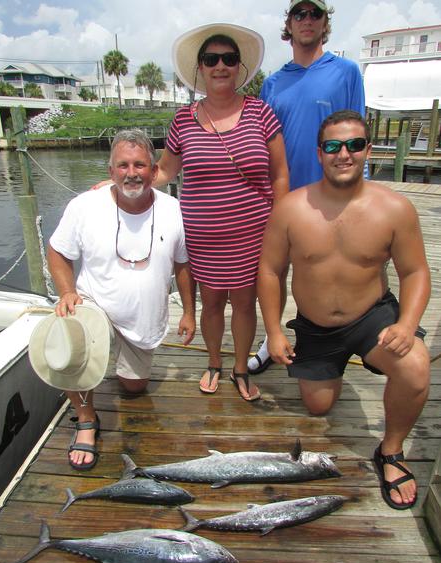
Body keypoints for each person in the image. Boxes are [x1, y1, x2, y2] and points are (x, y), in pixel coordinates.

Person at [257, 110, 431, 510]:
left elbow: (416, 271)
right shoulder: (291, 208)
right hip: (316, 326)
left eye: (354, 144)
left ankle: (391, 451)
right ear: (320, 153)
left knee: (415, 366)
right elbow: (269, 270)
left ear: (368, 149)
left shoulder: (395, 208)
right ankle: (333, 368)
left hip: (373, 317)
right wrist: (274, 332)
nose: (344, 154)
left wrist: (407, 324)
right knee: (318, 406)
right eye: (333, 146)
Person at [45, 129, 196, 470]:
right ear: (110, 170)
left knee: (134, 387)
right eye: (123, 165)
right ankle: (86, 419)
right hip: (94, 305)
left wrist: (189, 311)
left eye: (139, 165)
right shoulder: (84, 206)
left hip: (143, 318)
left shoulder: (174, 209)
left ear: (154, 170)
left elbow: (183, 264)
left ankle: (115, 365)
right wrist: (67, 292)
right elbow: (57, 251)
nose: (131, 173)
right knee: (71, 340)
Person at [154, 23, 289, 401]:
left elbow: (280, 175)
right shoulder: (183, 120)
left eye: (229, 59)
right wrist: (121, 182)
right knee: (211, 303)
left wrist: (283, 228)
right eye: (211, 59)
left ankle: (240, 368)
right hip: (204, 237)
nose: (220, 66)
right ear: (200, 67)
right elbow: (164, 171)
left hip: (254, 234)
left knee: (245, 304)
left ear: (238, 67)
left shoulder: (261, 112)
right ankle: (214, 362)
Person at [248, 0, 366, 374]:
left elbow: (357, 137)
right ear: (289, 23)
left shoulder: (347, 72)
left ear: (325, 21)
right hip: (282, 198)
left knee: (324, 269)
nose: (307, 20)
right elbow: (261, 145)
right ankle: (271, 338)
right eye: (299, 13)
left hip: (332, 195)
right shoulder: (272, 83)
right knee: (275, 270)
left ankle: (328, 339)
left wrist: (358, 195)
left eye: (315, 13)